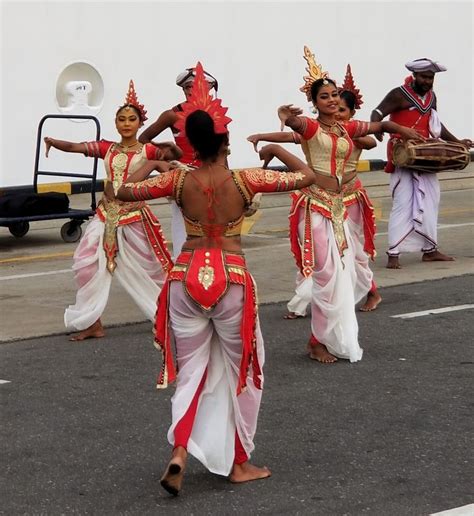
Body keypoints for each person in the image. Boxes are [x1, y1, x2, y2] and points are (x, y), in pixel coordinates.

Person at [116, 63, 314, 495]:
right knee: (244, 369)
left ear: (189, 141)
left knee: (191, 374)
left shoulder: (176, 179)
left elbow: (121, 193)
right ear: (224, 140)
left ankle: (180, 451)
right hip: (231, 279)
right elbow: (310, 178)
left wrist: (147, 159)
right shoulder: (245, 179)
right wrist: (279, 150)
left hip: (185, 277)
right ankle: (238, 462)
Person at [248, 47, 423, 364]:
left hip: (341, 207)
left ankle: (321, 337)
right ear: (314, 102)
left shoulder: (346, 128)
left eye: (333, 95)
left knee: (340, 274)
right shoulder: (312, 128)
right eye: (324, 96)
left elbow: (379, 129)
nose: (330, 100)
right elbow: (293, 125)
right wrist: (281, 115)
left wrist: (401, 130)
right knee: (327, 275)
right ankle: (317, 342)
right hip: (316, 206)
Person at [44, 80, 182, 341]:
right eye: (121, 119)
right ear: (116, 123)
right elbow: (76, 147)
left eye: (132, 119)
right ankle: (92, 322)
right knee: (85, 265)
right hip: (105, 215)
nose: (127, 123)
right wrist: (53, 141)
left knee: (154, 269)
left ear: (140, 123)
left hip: (134, 217)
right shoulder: (107, 148)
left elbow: (173, 158)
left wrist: (171, 154)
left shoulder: (148, 150)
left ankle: (172, 315)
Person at [249, 63, 382, 316]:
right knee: (314, 252)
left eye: (342, 108)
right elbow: (292, 136)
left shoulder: (352, 132)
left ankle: (369, 291)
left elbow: (372, 140)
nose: (337, 110)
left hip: (350, 197)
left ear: (352, 112)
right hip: (317, 197)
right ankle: (304, 304)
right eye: (329, 101)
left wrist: (341, 132)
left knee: (353, 251)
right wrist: (262, 136)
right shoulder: (320, 131)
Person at [370, 58, 473, 269]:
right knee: (403, 204)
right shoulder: (398, 94)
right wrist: (378, 130)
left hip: (425, 156)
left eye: (431, 77)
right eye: (424, 77)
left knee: (430, 201)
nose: (428, 81)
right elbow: (377, 113)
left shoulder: (431, 97)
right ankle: (394, 253)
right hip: (404, 155)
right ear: (415, 76)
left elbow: (436, 123)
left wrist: (456, 141)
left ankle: (430, 250)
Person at [138, 67, 219, 259]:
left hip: (212, 175)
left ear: (208, 88)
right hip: (184, 176)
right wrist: (165, 161)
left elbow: (223, 149)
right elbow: (144, 139)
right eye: (186, 87)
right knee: (181, 225)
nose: (190, 91)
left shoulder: (217, 113)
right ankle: (182, 267)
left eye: (196, 86)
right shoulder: (172, 115)